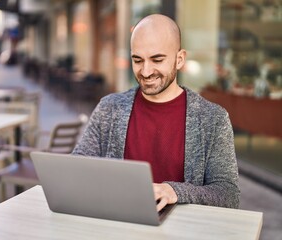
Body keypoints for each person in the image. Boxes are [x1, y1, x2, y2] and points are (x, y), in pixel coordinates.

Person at [72, 14, 240, 211]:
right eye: (138, 60)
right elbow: (78, 168)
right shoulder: (109, 109)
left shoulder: (213, 119)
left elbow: (228, 195)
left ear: (179, 59)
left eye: (157, 59)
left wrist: (174, 191)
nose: (145, 71)